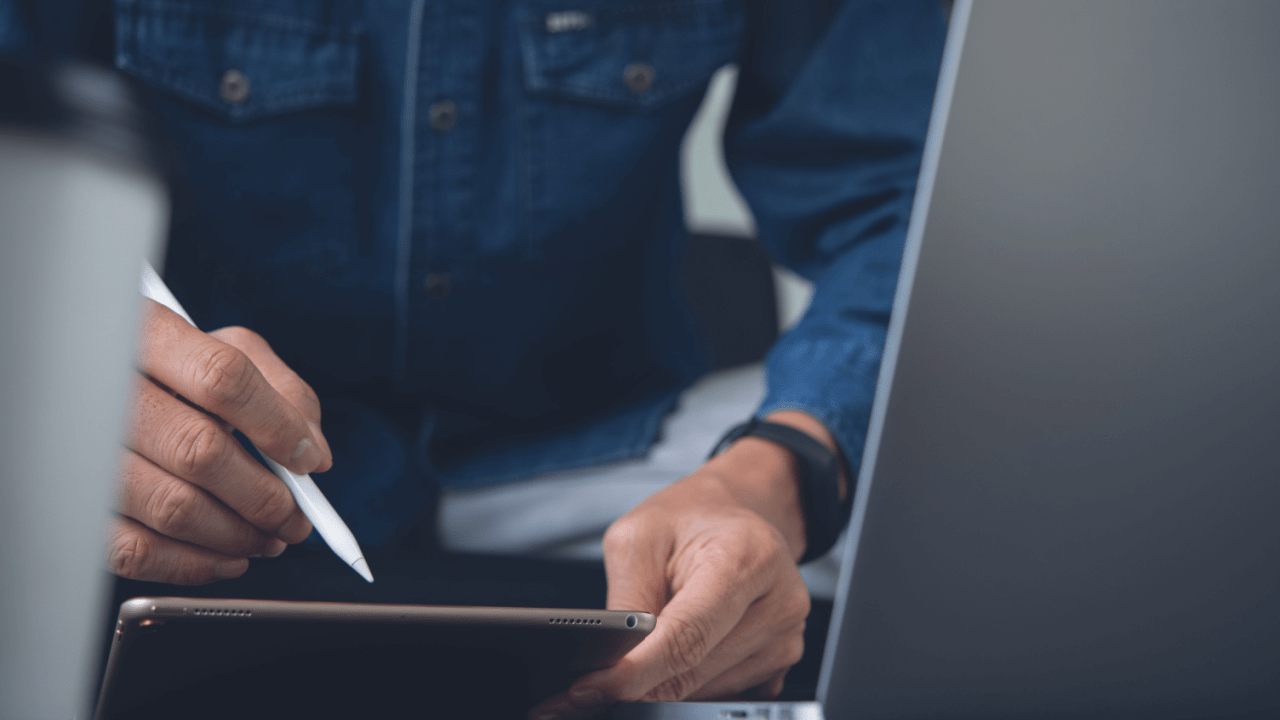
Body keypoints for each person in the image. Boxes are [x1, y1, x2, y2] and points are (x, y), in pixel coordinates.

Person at [1, 0, 947, 715]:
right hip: (193, 469)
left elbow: (907, 204)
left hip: (600, 462)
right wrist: (64, 364)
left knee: (934, 524)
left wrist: (779, 479)